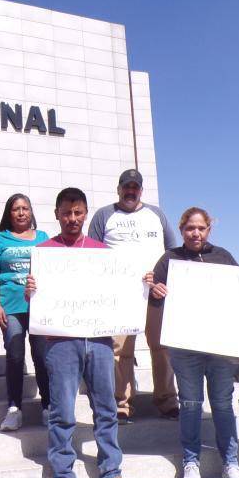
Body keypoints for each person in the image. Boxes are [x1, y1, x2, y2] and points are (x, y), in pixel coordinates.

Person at [25, 187, 140, 478]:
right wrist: (31, 291)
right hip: (61, 344)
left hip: (100, 341)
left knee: (106, 408)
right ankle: (63, 476)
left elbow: (120, 293)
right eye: (66, 213)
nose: (72, 219)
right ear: (57, 214)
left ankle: (110, 472)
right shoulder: (45, 252)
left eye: (78, 213)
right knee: (62, 410)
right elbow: (34, 303)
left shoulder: (102, 252)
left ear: (85, 214)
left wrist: (139, 282)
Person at [149, 207, 239, 478]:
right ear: (181, 230)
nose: (195, 233)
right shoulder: (169, 259)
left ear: (209, 230)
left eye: (201, 228)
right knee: (191, 405)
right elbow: (155, 299)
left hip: (219, 345)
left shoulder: (224, 257)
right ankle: (190, 463)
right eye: (190, 228)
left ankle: (231, 463)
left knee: (222, 405)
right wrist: (155, 290)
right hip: (184, 346)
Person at [88, 168, 179, 423]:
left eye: (135, 187)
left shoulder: (156, 215)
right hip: (119, 295)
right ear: (118, 189)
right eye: (126, 187)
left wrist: (161, 278)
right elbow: (91, 254)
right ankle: (122, 404)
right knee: (120, 351)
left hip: (155, 292)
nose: (130, 191)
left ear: (140, 190)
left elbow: (172, 252)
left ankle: (167, 401)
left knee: (161, 348)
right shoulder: (104, 215)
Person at [0, 193, 50, 431]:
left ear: (31, 212)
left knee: (43, 357)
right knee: (14, 356)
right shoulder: (0, 239)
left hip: (39, 307)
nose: (21, 212)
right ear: (9, 213)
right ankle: (14, 409)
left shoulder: (43, 238)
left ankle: (48, 407)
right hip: (10, 307)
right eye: (16, 209)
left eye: (25, 208)